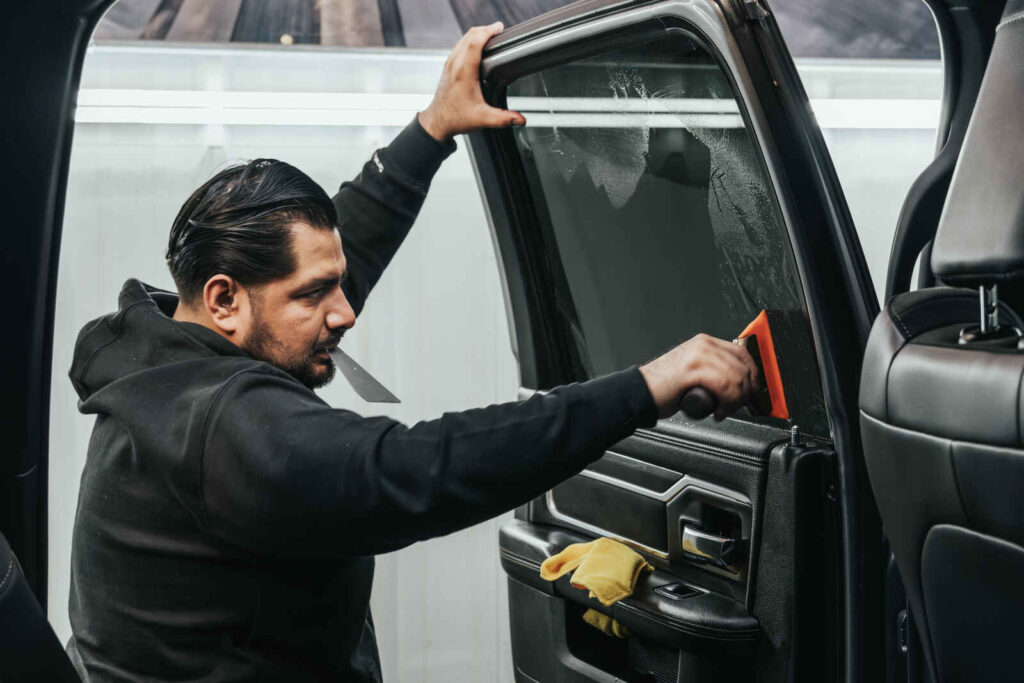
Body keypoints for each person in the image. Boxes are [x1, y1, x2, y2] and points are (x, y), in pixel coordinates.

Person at [66, 23, 759, 682]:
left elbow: (340, 255)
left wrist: (433, 128)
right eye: (315, 294)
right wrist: (647, 385)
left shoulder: (161, 357)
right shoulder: (228, 430)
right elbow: (421, 469)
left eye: (337, 285)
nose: (344, 311)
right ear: (224, 299)